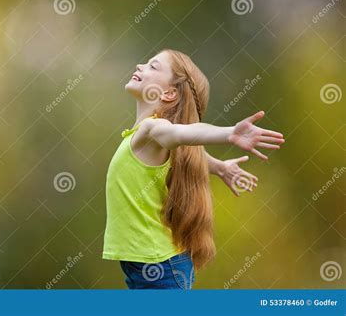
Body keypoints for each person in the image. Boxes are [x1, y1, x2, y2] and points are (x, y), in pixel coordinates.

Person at [102, 49, 285, 289]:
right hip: (151, 267)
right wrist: (219, 167)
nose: (140, 66)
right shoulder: (143, 138)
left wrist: (230, 133)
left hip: (160, 269)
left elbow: (180, 134)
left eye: (153, 66)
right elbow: (187, 148)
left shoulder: (152, 130)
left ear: (169, 93)